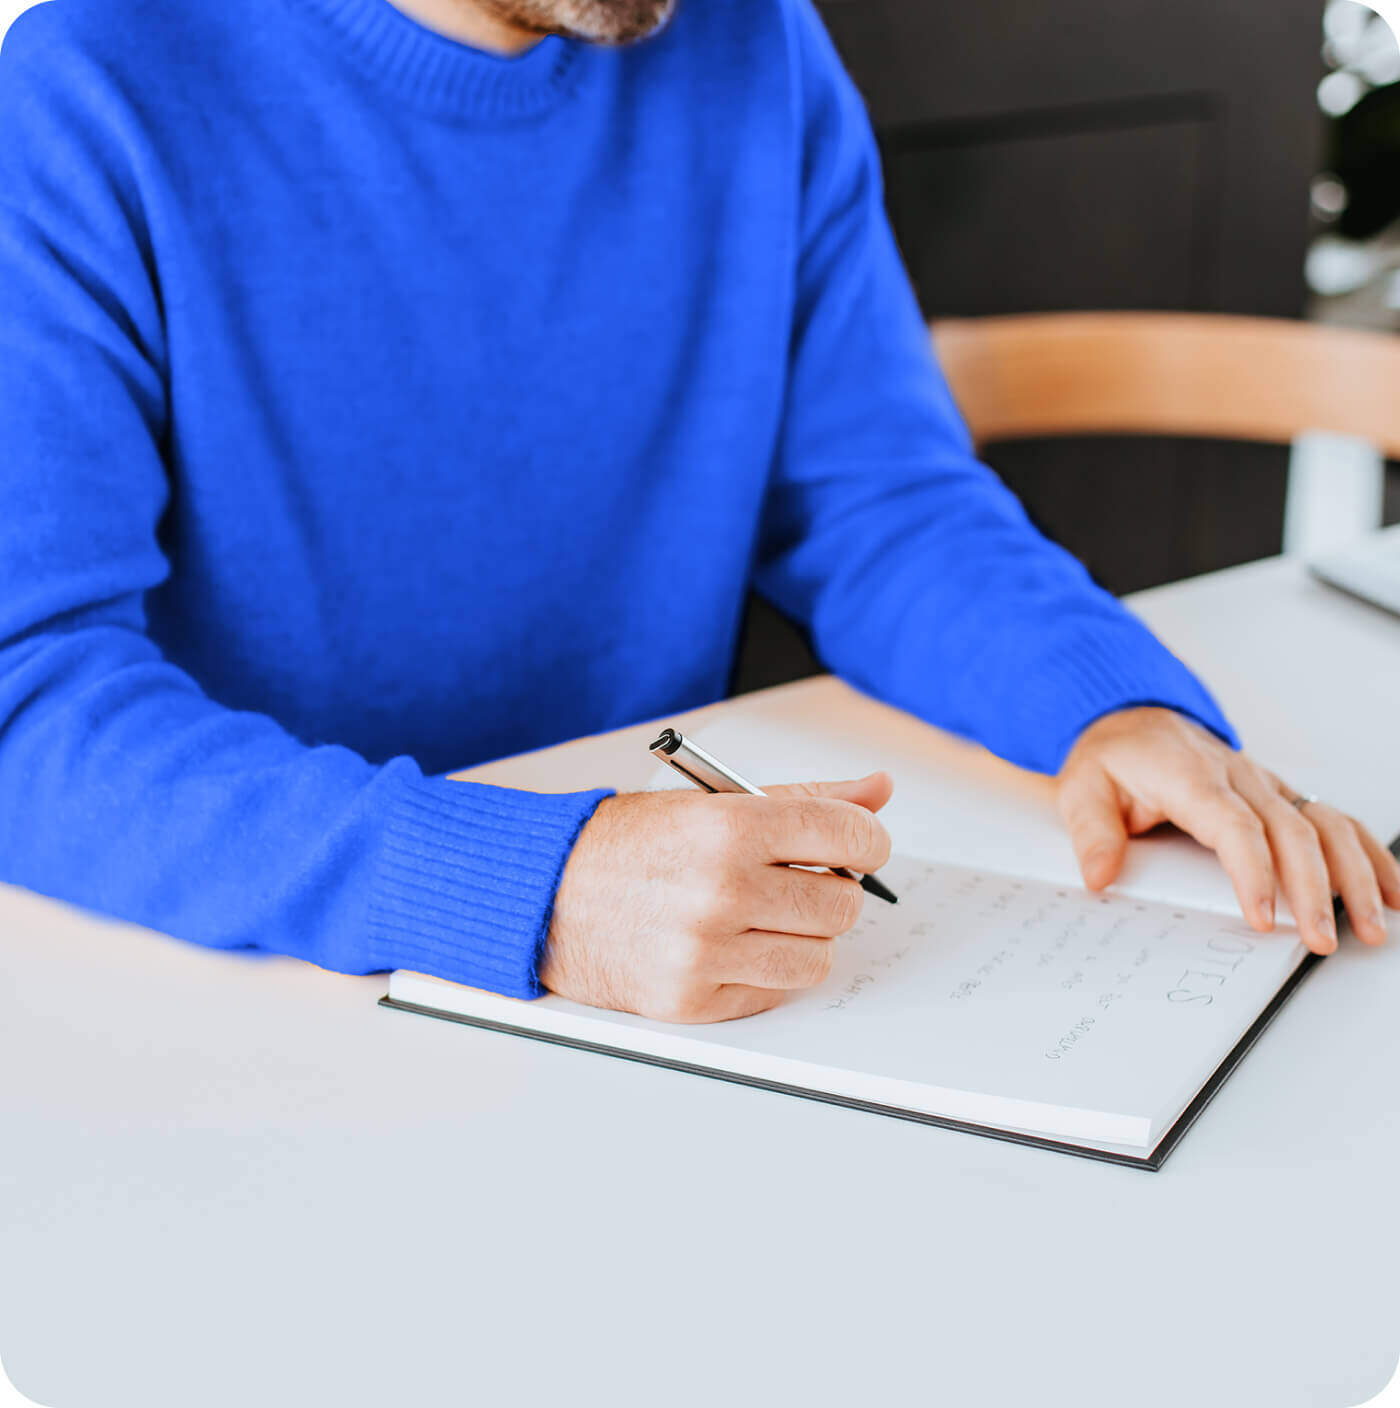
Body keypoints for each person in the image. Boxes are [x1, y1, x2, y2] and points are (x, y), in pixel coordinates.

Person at [0, 0, 1394, 1026]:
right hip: (239, 1001)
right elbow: (30, 700)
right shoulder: (91, 92)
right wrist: (528, 890)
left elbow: (881, 500)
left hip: (680, 1003)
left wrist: (1107, 708)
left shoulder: (758, 49)